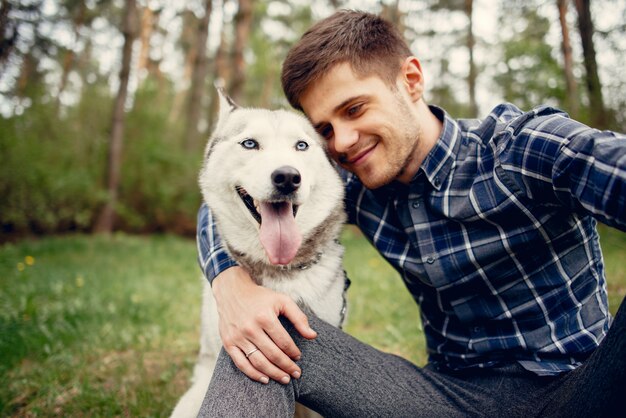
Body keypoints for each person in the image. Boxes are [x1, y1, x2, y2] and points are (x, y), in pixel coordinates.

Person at [195, 10, 626, 417]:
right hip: (445, 399)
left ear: (412, 80)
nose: (342, 141)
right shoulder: (356, 183)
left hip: (580, 390)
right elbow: (228, 198)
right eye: (325, 129)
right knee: (267, 335)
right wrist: (230, 282)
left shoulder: (523, 148)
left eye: (354, 109)